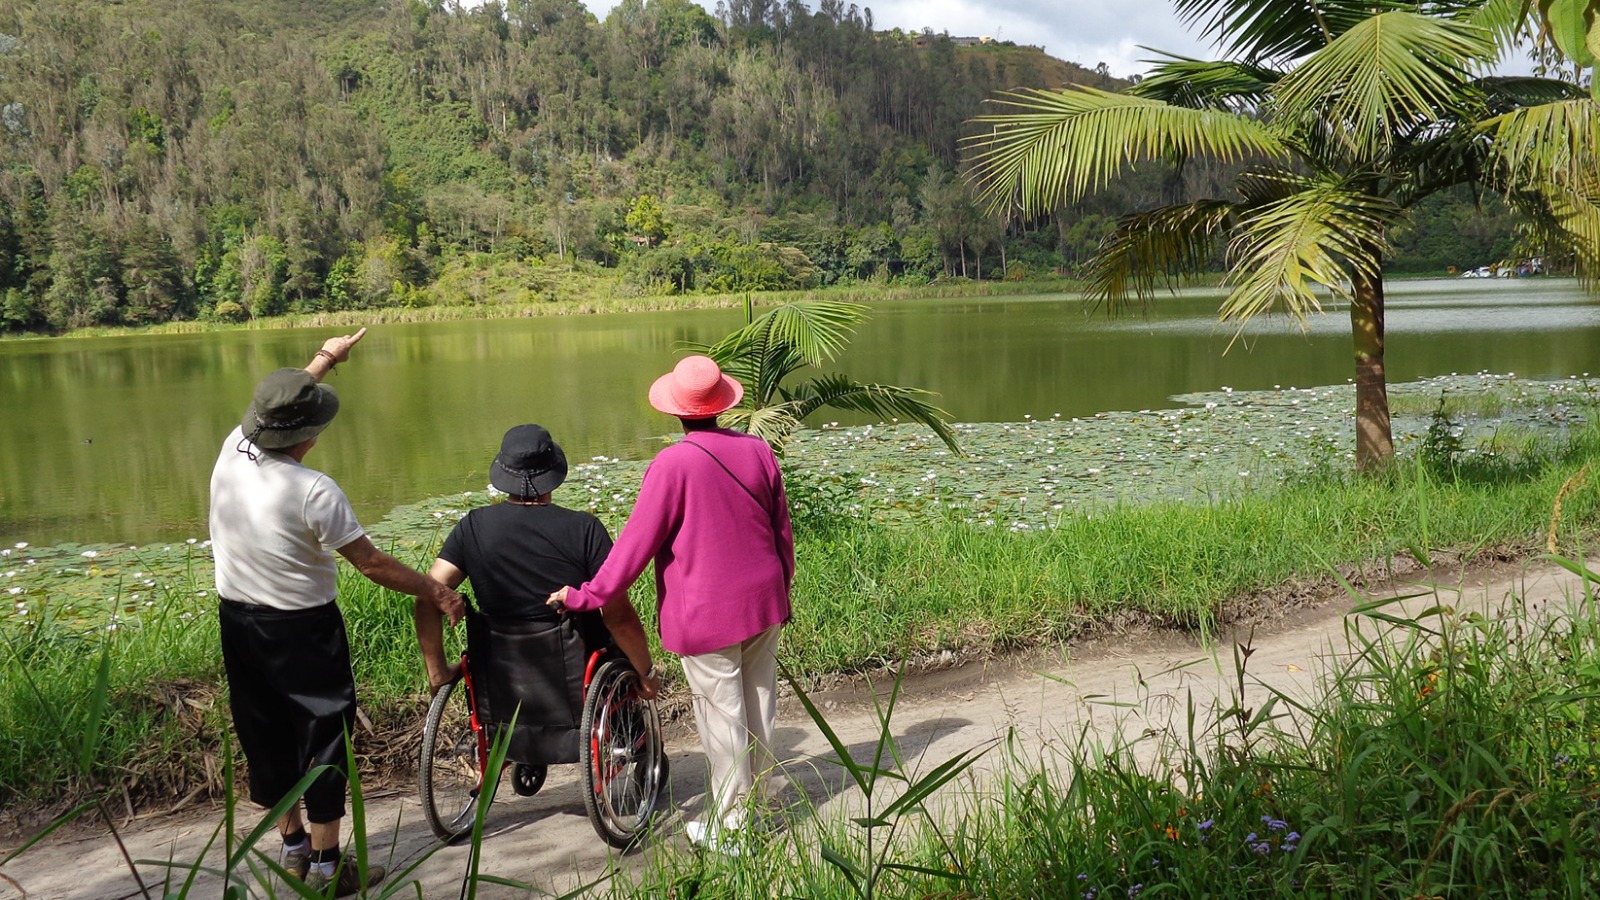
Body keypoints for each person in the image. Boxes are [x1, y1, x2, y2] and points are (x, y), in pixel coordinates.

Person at [209, 328, 463, 896]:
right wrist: (437, 591)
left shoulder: (234, 449)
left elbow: (279, 403)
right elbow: (371, 564)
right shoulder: (313, 489)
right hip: (302, 631)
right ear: (311, 435)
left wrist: (326, 357)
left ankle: (294, 850)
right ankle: (327, 869)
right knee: (326, 738)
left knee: (264, 732)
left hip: (239, 624)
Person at [548, 355, 794, 849]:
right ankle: (756, 806)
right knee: (758, 707)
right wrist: (782, 591)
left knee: (723, 718)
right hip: (764, 601)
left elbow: (633, 548)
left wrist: (587, 595)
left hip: (708, 615)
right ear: (721, 404)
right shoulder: (757, 450)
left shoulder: (672, 465)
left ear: (677, 410)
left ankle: (733, 828)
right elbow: (780, 531)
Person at [413, 424, 657, 704]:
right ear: (553, 472)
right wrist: (647, 673)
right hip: (579, 680)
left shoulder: (472, 527)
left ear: (502, 471)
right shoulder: (584, 529)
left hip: (500, 685)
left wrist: (438, 674)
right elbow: (618, 618)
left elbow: (427, 594)